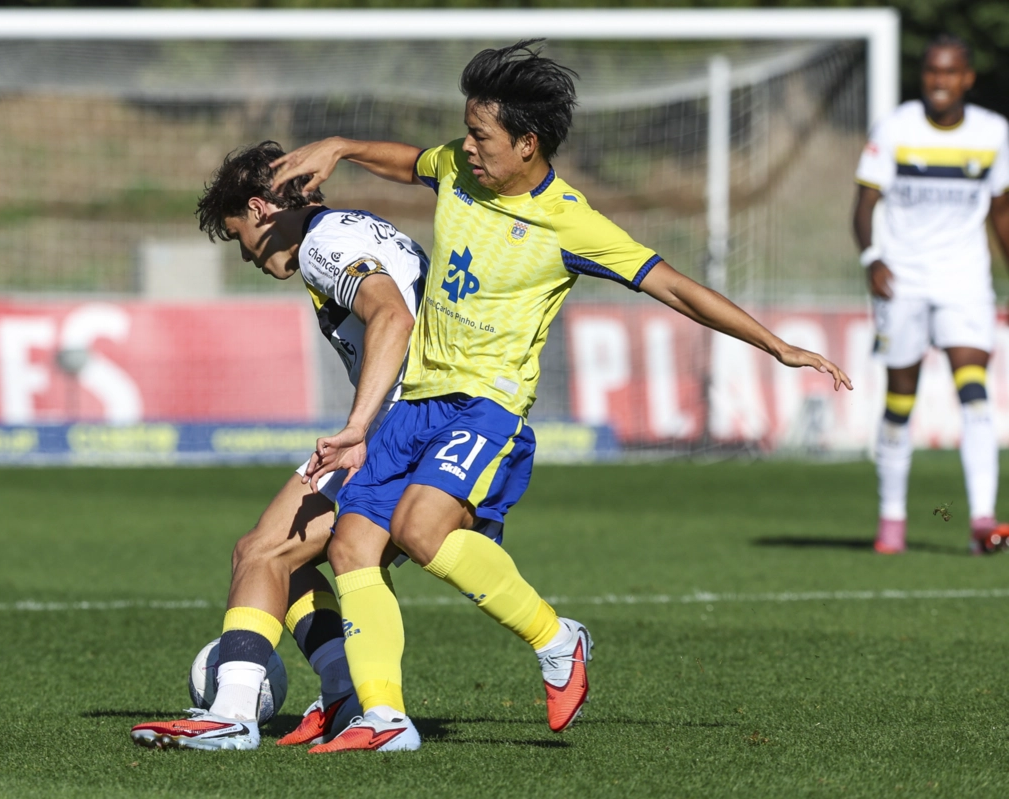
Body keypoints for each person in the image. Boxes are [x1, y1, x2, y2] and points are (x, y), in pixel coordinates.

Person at [271, 40, 852, 753]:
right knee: (352, 545)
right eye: (467, 132)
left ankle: (557, 638)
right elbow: (411, 161)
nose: (467, 147)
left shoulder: (570, 222)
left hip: (485, 406)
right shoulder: (459, 167)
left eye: (482, 136)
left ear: (527, 143)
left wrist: (776, 344)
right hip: (415, 399)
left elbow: (673, 286)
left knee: (421, 530)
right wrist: (341, 146)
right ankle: (385, 719)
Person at [130, 141, 426, 750]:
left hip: (402, 428)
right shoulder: (359, 228)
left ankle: (233, 713)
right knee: (277, 559)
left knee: (262, 553)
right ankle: (345, 692)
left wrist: (358, 427)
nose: (245, 254)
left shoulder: (322, 245)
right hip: (429, 421)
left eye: (239, 235)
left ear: (261, 209)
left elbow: (393, 317)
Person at [853, 34, 1009, 555]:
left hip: (965, 282)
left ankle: (982, 521)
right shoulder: (896, 128)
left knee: (975, 391)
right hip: (904, 281)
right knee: (900, 400)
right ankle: (892, 520)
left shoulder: (994, 132)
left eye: (949, 72)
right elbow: (863, 205)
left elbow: (1001, 212)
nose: (939, 81)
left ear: (967, 78)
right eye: (931, 71)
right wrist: (872, 258)